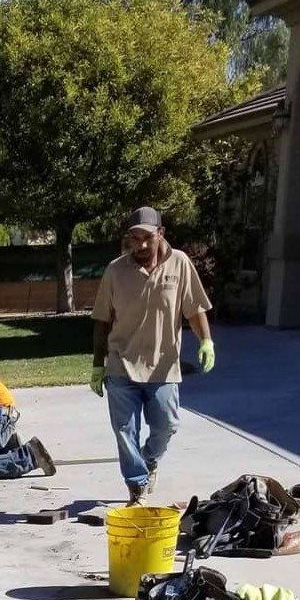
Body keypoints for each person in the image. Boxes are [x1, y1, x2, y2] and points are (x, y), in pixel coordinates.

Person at [91, 207, 214, 504]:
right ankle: (137, 486)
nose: (142, 245)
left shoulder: (179, 263)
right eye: (135, 238)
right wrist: (97, 365)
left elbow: (194, 308)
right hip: (122, 364)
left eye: (147, 237)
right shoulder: (115, 271)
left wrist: (206, 341)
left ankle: (149, 460)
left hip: (163, 367)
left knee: (167, 426)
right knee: (124, 431)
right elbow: (102, 320)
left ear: (161, 233)